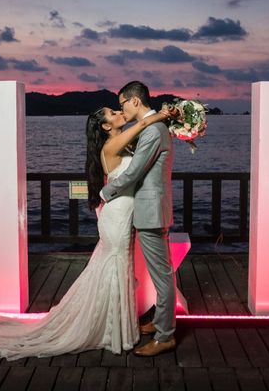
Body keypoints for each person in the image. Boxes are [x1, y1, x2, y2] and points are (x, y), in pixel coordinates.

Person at [0, 105, 172, 360]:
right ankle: (113, 330)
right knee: (114, 265)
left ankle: (118, 326)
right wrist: (163, 115)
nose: (117, 113)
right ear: (105, 127)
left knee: (118, 267)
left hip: (122, 212)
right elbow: (143, 126)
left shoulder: (121, 145)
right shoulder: (111, 147)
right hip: (117, 215)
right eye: (113, 113)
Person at [100, 81, 176, 357]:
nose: (121, 109)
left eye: (122, 104)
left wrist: (105, 191)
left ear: (134, 101)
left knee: (162, 276)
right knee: (162, 273)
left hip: (151, 212)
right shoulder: (154, 127)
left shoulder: (152, 130)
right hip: (150, 209)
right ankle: (160, 324)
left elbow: (132, 174)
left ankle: (166, 335)